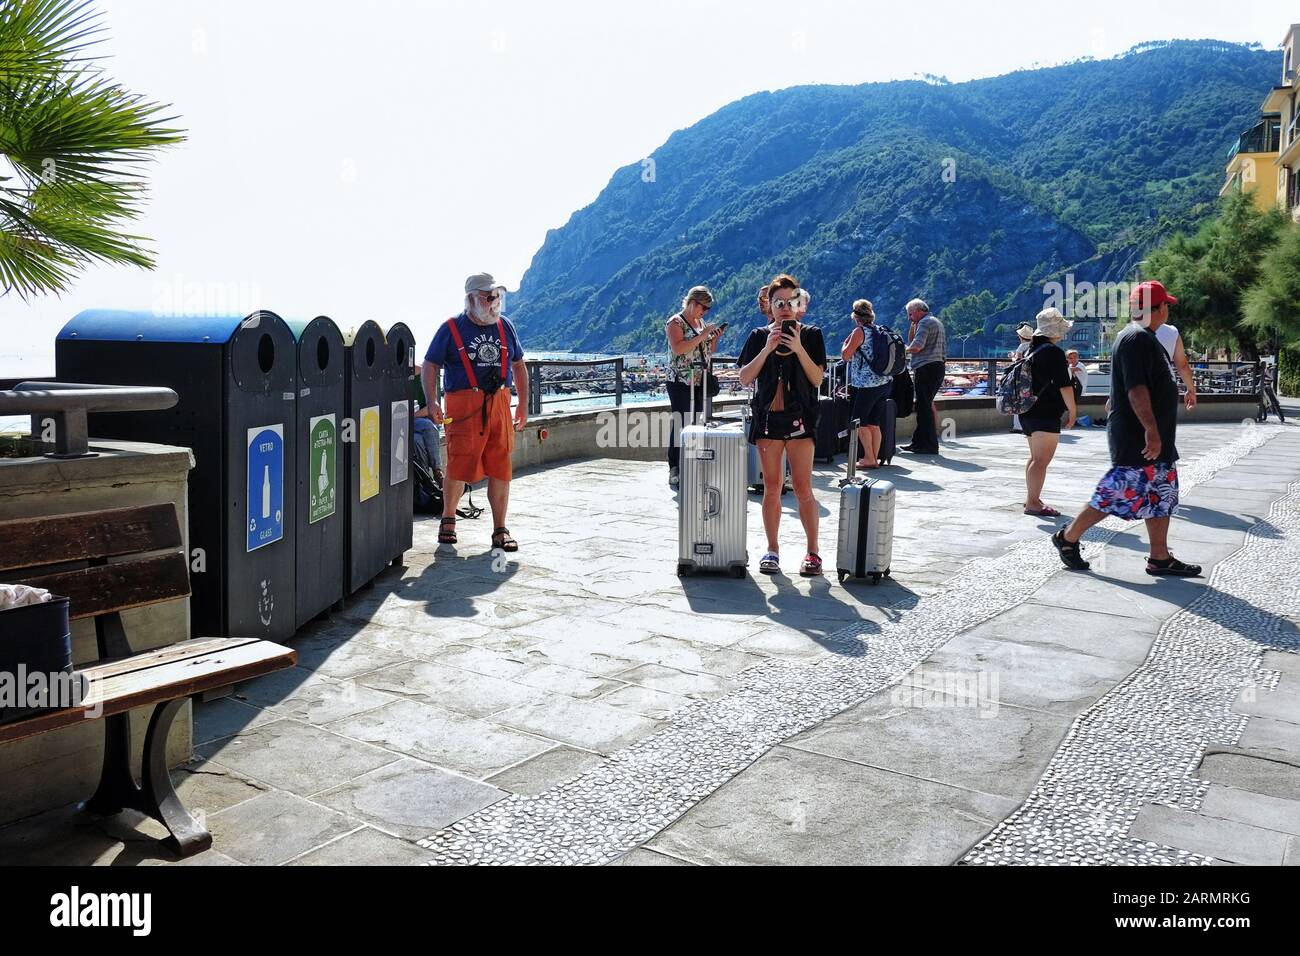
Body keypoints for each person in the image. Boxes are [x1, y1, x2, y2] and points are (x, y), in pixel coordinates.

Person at [1051, 281, 1201, 577]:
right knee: (1116, 493)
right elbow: (1136, 389)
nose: (1168, 309)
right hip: (1138, 437)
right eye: (1166, 305)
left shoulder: (1148, 338)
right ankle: (1067, 537)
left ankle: (1159, 557)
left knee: (1162, 494)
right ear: (1156, 309)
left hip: (1154, 436)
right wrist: (1151, 430)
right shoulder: (1135, 340)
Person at [421, 272, 528, 551]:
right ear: (471, 299)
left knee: (501, 466)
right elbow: (430, 365)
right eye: (487, 297)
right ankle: (448, 520)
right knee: (458, 462)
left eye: (496, 297)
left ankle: (500, 530)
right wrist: (432, 402)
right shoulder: (451, 328)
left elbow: (519, 366)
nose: (494, 302)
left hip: (500, 404)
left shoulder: (506, 327)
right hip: (463, 406)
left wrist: (524, 406)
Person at [738, 274, 828, 576]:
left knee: (803, 487)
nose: (786, 308)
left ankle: (813, 552)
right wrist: (766, 348)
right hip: (767, 419)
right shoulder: (757, 336)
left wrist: (799, 346)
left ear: (799, 303)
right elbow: (745, 378)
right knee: (772, 487)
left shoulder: (813, 335)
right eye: (780, 302)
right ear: (770, 306)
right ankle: (772, 550)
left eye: (792, 302)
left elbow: (817, 379)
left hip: (801, 418)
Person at [1019, 309, 1078, 518]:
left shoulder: (1030, 349)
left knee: (1035, 458)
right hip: (1045, 412)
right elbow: (1065, 385)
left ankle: (1031, 498)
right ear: (1054, 331)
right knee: (1041, 460)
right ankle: (1033, 503)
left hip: (1027, 410)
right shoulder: (1053, 353)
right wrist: (1073, 411)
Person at [664, 286, 722, 488]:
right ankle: (675, 467)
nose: (705, 312)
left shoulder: (701, 322)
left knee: (697, 421)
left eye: (707, 309)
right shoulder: (675, 322)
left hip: (698, 382)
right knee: (681, 421)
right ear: (692, 303)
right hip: (680, 381)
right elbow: (679, 348)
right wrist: (703, 334)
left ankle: (692, 463)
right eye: (703, 307)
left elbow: (706, 350)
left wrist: (713, 338)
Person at [841, 299, 892, 469]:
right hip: (884, 382)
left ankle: (869, 458)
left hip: (866, 385)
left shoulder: (859, 332)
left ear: (856, 317)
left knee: (859, 421)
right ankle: (874, 458)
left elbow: (845, 356)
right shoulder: (879, 330)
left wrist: (846, 344)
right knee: (874, 422)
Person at [901, 298, 945, 455]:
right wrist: (914, 324)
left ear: (919, 311)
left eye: (910, 314)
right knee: (924, 406)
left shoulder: (925, 323)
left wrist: (901, 349)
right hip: (937, 367)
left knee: (923, 408)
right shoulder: (935, 321)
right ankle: (918, 442)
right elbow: (913, 339)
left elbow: (916, 346)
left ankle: (929, 445)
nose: (909, 318)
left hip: (926, 368)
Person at [1154, 321, 1198, 410]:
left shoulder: (1124, 334)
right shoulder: (1171, 332)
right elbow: (1182, 365)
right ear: (1161, 308)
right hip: (1161, 392)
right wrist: (1191, 390)